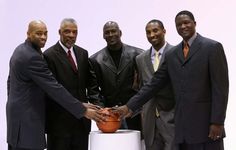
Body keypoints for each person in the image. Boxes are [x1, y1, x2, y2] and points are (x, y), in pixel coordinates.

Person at [116, 10, 229, 150]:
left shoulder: (212, 48)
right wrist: (129, 106)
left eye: (186, 22)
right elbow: (153, 84)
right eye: (179, 24)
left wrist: (217, 122)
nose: (183, 26)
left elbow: (221, 89)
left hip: (207, 127)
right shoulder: (172, 54)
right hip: (182, 128)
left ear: (195, 23)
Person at [6, 20, 104, 150]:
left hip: (20, 120)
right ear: (28, 34)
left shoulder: (22, 50)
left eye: (45, 33)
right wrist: (83, 110)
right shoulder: (33, 56)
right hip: (28, 122)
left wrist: (16, 104)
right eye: (38, 33)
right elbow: (54, 88)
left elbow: (10, 82)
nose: (43, 37)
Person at [43, 18, 102, 150]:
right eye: (67, 31)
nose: (71, 35)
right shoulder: (49, 55)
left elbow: (91, 84)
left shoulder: (83, 53)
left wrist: (98, 107)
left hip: (81, 124)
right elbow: (53, 91)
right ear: (59, 32)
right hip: (59, 125)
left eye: (74, 32)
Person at [89, 21, 143, 131]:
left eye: (113, 31)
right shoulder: (95, 60)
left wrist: (134, 107)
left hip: (134, 114)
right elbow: (93, 90)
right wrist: (103, 111)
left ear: (120, 33)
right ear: (103, 36)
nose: (110, 35)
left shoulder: (138, 55)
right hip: (108, 117)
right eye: (107, 32)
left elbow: (144, 86)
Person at [136, 19, 175, 150]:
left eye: (155, 30)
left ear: (164, 31)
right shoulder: (140, 59)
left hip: (172, 118)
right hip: (149, 121)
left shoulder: (176, 53)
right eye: (148, 32)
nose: (152, 35)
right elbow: (143, 88)